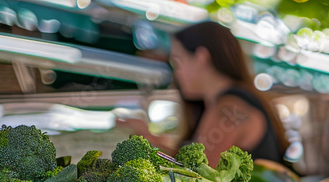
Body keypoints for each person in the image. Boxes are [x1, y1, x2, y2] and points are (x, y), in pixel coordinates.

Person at [119, 21, 289, 166]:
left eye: (177, 62)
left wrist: (146, 139)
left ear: (201, 57)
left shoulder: (229, 107)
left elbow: (197, 173)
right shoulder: (235, 100)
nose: (176, 74)